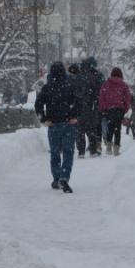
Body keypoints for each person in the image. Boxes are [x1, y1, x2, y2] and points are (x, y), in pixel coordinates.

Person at [34, 61, 82, 192]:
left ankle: (56, 178)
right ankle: (64, 176)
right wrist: (74, 116)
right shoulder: (70, 86)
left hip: (53, 124)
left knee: (55, 153)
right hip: (68, 124)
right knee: (68, 152)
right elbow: (78, 102)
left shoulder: (47, 88)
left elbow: (38, 104)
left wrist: (44, 119)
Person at [98, 67, 132, 155]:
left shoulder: (106, 84)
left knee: (110, 127)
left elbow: (101, 97)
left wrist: (102, 108)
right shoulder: (124, 85)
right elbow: (127, 98)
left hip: (108, 109)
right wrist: (125, 108)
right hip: (119, 109)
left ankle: (109, 147)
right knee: (118, 129)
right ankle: (116, 149)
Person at [80, 57, 105, 156]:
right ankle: (97, 145)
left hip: (87, 104)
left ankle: (91, 145)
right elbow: (102, 89)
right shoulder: (98, 75)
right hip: (96, 103)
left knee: (87, 126)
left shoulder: (83, 74)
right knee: (96, 125)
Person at [67, 63, 88, 158]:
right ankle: (80, 149)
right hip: (77, 108)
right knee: (78, 130)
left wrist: (73, 95)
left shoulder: (77, 80)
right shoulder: (80, 79)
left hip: (77, 108)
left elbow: (82, 93)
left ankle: (80, 150)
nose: (71, 74)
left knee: (78, 130)